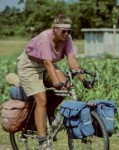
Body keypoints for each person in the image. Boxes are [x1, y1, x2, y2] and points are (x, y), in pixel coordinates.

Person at [17, 14, 91, 150]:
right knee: (41, 100)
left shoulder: (67, 38)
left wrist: (83, 80)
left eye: (69, 31)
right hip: (30, 66)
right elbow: (47, 63)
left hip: (46, 65)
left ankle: (48, 113)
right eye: (64, 31)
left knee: (67, 86)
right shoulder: (45, 38)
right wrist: (56, 82)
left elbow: (71, 59)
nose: (67, 33)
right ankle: (43, 142)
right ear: (55, 29)